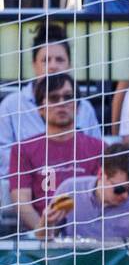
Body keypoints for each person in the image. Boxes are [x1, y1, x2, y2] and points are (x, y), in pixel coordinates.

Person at [7, 73, 104, 234]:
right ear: (40, 108)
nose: (61, 103)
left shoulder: (99, 148)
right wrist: (44, 230)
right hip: (40, 239)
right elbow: (21, 202)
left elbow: (103, 199)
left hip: (88, 238)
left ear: (78, 107)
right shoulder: (22, 149)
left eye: (67, 97)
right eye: (53, 98)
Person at [0, 28, 102, 177]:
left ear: (69, 65)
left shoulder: (83, 107)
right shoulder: (12, 106)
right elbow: (2, 155)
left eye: (59, 60)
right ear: (34, 65)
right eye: (45, 60)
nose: (53, 66)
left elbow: (96, 153)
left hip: (75, 185)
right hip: (25, 186)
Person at [52, 143, 129, 242]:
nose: (126, 195)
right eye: (119, 189)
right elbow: (45, 239)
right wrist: (45, 222)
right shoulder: (70, 189)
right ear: (101, 174)